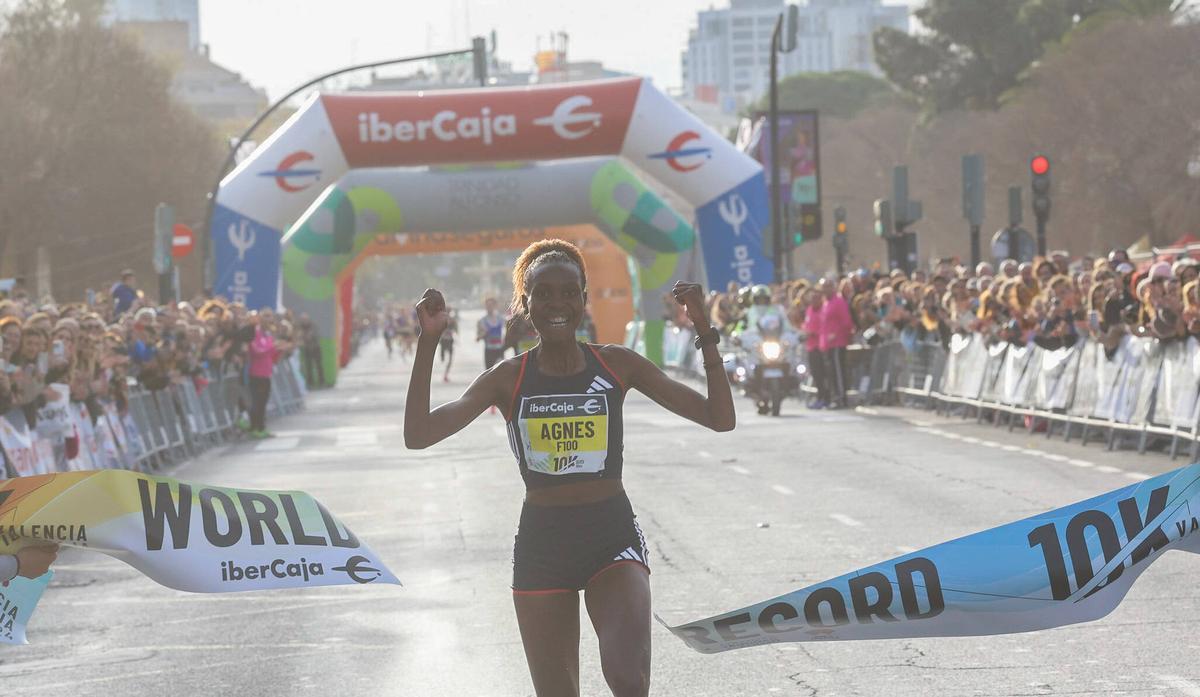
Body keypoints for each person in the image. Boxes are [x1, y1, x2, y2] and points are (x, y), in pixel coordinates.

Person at [404, 239, 734, 697]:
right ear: (526, 304)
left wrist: (704, 328)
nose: (556, 303)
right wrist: (428, 340)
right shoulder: (508, 378)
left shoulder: (617, 364)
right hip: (543, 545)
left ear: (584, 299)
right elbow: (418, 434)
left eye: (568, 292)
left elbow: (720, 418)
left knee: (628, 679)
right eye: (544, 294)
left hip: (611, 537)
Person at [438, 307, 457, 382]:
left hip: (450, 340)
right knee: (443, 359)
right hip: (443, 341)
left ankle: (445, 374)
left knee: (450, 359)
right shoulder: (441, 320)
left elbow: (455, 329)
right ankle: (444, 373)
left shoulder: (452, 320)